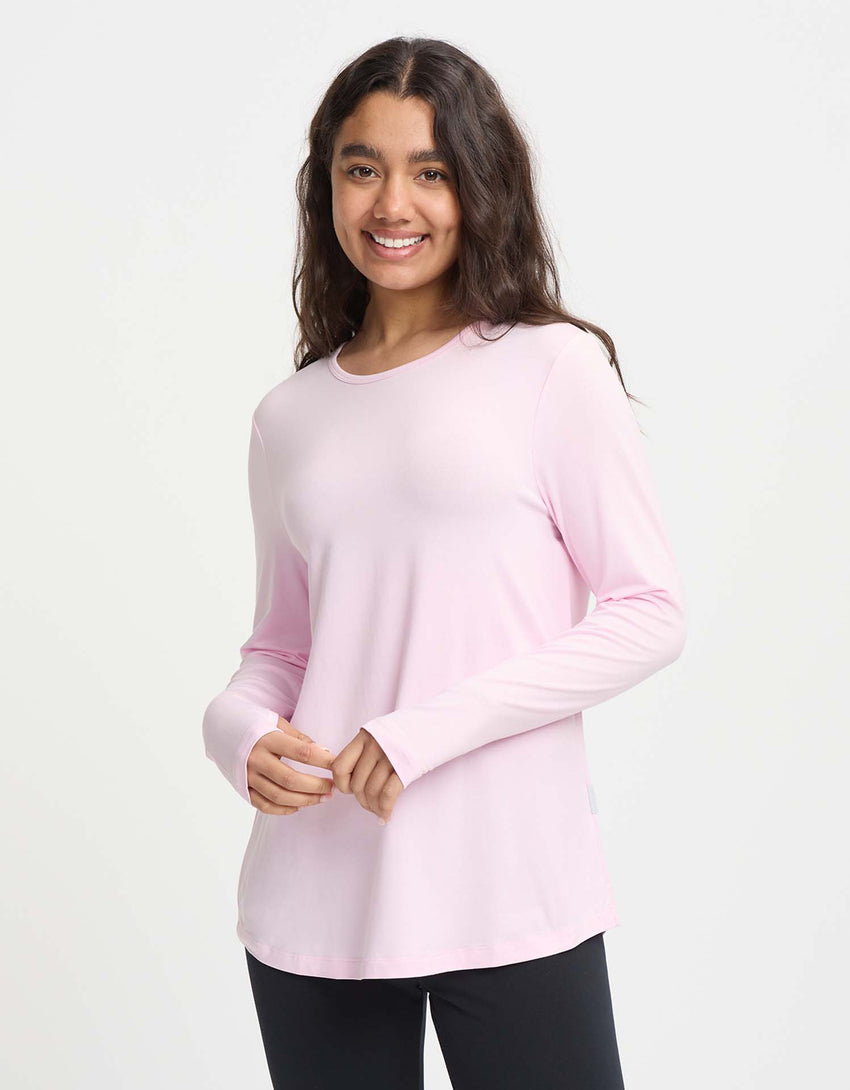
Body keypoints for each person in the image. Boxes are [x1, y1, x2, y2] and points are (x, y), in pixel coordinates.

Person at [202, 35, 687, 1090]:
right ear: (327, 185)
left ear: (479, 184)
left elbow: (648, 609)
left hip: (509, 883)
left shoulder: (550, 367)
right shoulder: (290, 415)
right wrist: (233, 732)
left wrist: (424, 731)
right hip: (316, 894)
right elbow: (281, 647)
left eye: (430, 171)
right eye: (362, 167)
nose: (393, 204)